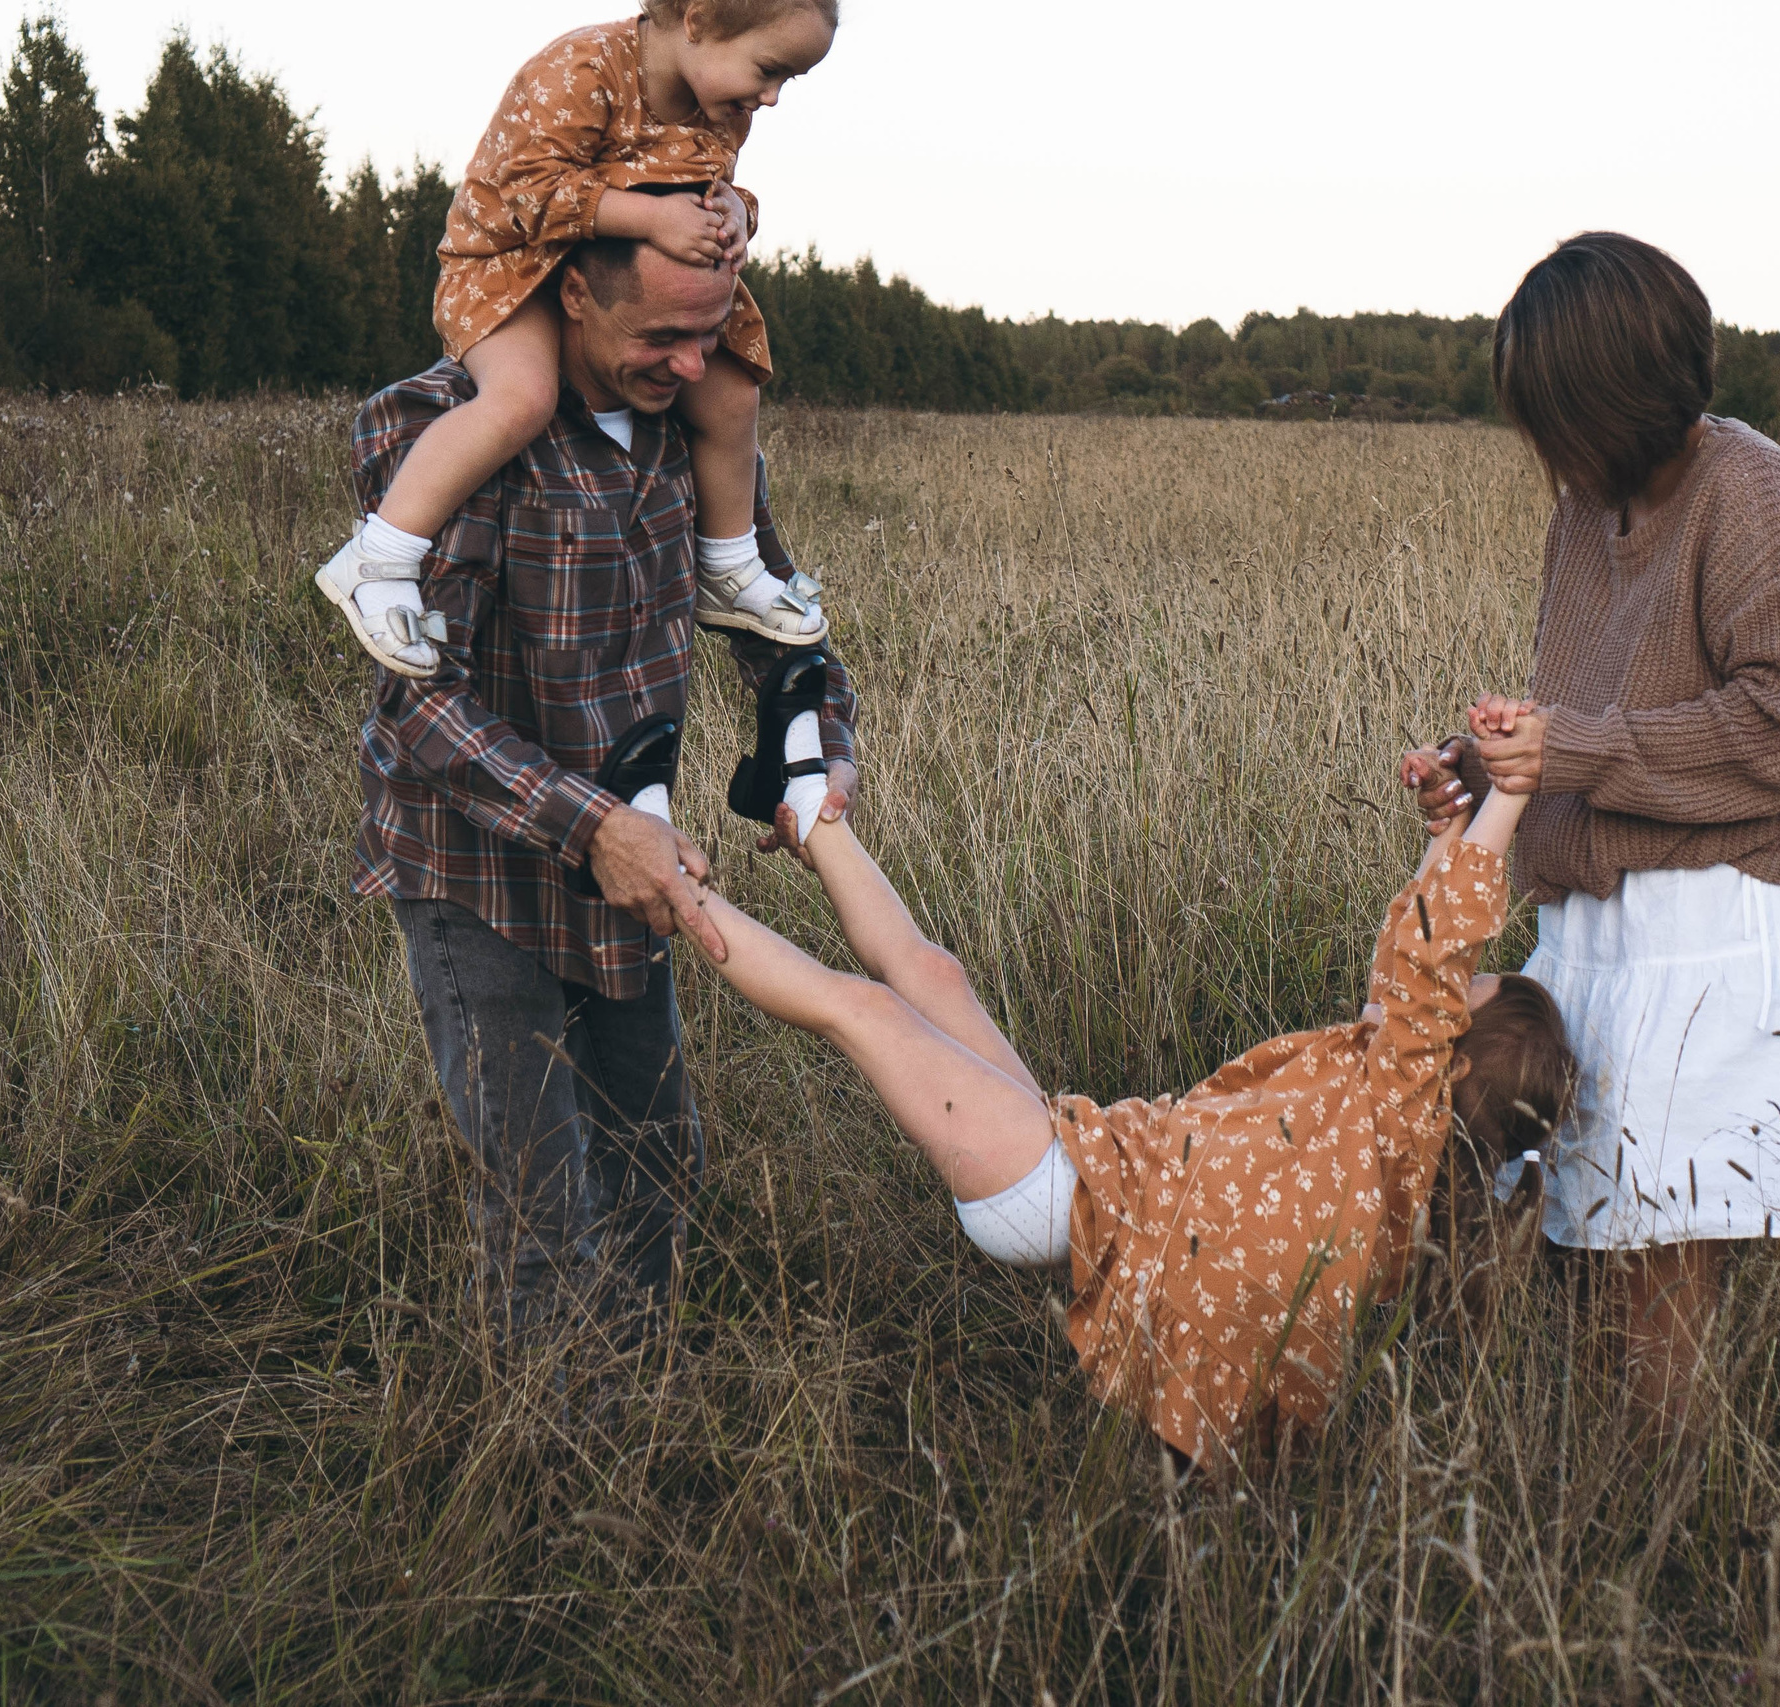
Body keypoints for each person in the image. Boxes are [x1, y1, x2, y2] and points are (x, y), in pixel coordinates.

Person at [667, 724, 1571, 1474]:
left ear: (1449, 1063)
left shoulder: (1400, 1119)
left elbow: (1430, 949)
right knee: (930, 974)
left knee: (857, 1008)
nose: (1451, 984)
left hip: (1056, 1188)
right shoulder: (1396, 1121)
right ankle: (806, 806)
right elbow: (1421, 944)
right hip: (1084, 1163)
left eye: (1468, 993)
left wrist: (1511, 794)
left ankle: (670, 888)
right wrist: (1447, 823)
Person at [1423, 233, 1780, 1440]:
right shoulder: (1590, 512)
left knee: (1656, 1288)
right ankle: (1613, 1532)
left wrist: (1572, 751)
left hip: (1714, 933)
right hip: (1602, 937)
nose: (1543, 448)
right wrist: (1479, 773)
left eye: (1551, 412)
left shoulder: (1763, 497)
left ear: (1609, 396)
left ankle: (1664, 1545)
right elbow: (1593, 718)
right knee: (1585, 1261)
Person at [349, 229, 856, 1343]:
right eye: (660, 335)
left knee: (659, 1170)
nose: (689, 366)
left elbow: (768, 613)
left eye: (708, 335)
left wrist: (816, 741)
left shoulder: (703, 433)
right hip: (475, 870)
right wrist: (594, 830)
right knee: (542, 1214)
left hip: (633, 864)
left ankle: (644, 1441)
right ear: (573, 293)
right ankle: (550, 1488)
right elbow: (414, 700)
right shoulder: (439, 427)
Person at [317, 0, 839, 680]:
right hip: (511, 261)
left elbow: (716, 187)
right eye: (768, 70)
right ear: (702, 19)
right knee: (522, 398)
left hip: (620, 276)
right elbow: (522, 194)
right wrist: (651, 217)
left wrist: (739, 211)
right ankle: (378, 556)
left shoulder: (723, 104)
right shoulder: (583, 69)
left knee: (733, 394)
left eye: (787, 81)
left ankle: (729, 565)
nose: (770, 97)